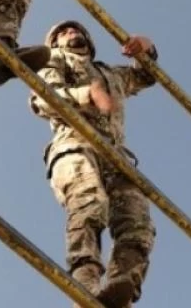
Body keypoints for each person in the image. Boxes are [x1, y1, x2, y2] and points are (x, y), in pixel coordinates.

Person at [29, 20, 159, 308]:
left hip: (114, 155)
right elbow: (43, 98)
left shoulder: (110, 73)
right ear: (55, 44)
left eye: (76, 30)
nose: (70, 33)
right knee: (89, 204)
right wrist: (85, 94)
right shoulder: (54, 62)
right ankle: (85, 284)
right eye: (62, 33)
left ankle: (119, 291)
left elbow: (146, 76)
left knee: (138, 223)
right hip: (74, 144)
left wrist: (145, 47)